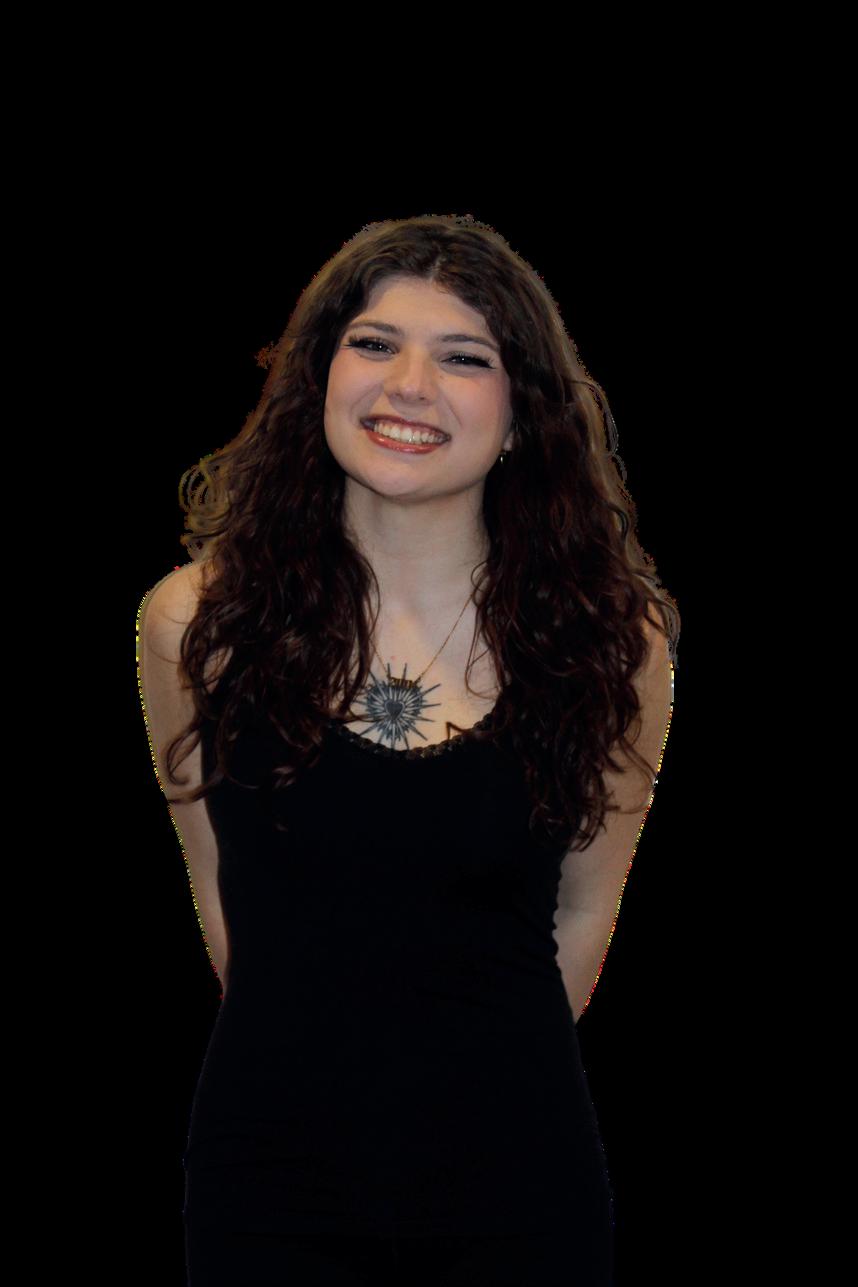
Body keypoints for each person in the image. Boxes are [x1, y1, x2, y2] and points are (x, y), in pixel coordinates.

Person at [137, 214, 678, 1286]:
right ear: (317, 378)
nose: (409, 386)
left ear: (522, 414)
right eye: (375, 343)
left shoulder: (617, 645)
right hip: (266, 1186)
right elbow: (220, 893)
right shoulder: (195, 623)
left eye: (464, 357)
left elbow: (583, 918)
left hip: (523, 1192)